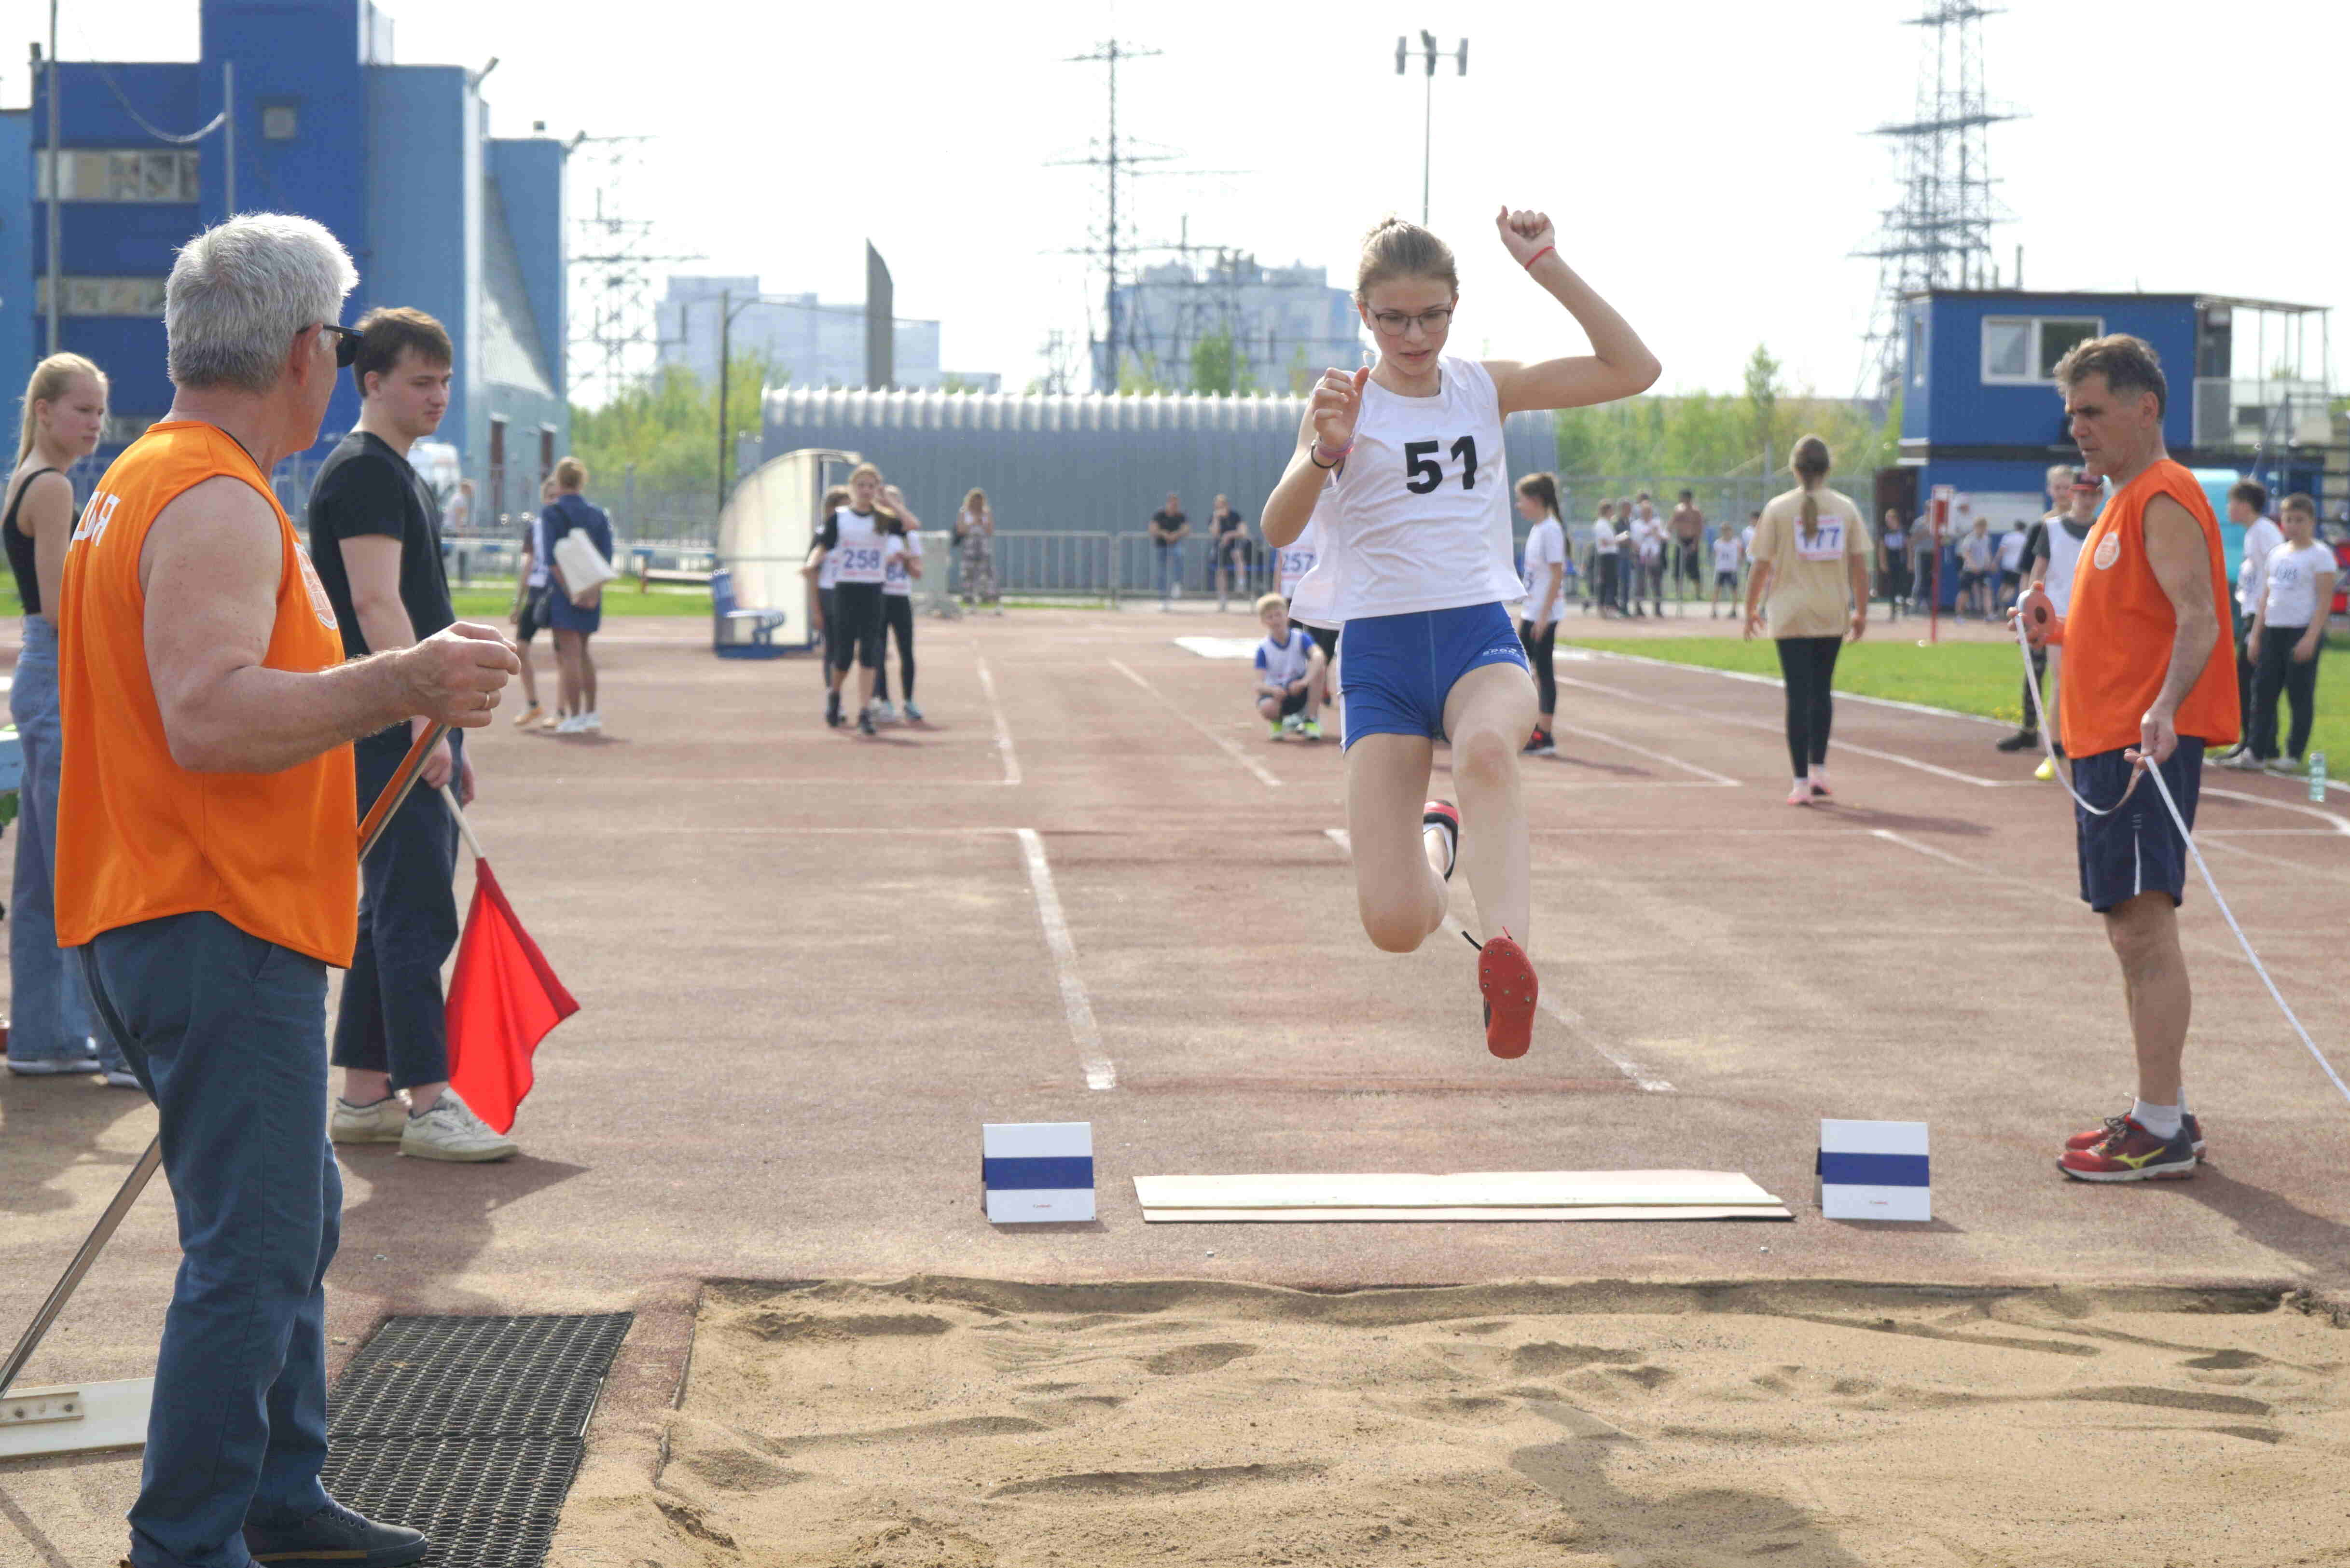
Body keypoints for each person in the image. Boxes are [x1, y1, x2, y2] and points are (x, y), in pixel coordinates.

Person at [57, 211, 518, 1568]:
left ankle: (275, 1494)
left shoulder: (156, 478)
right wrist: (406, 680)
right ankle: (190, 1543)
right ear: (310, 353)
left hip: (185, 909)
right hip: (208, 916)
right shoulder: (207, 494)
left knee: (290, 1217)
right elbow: (207, 714)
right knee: (253, 1251)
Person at [1259, 206, 1659, 1059]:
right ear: (1364, 313)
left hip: (1479, 635)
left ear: (1454, 308)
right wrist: (1323, 454)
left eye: (1432, 315)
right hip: (1379, 657)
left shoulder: (1485, 386)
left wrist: (1547, 265)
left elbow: (1635, 368)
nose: (1415, 333)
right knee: (1396, 925)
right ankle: (1440, 842)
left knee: (1487, 750)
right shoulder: (1340, 403)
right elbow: (1278, 527)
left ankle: (1508, 952)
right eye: (1395, 317)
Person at [2014, 334, 2238, 1183]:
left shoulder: (2163, 493)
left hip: (2143, 746)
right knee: (2128, 930)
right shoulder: (2119, 500)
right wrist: (2057, 628)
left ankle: (2161, 1127)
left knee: (2145, 929)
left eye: (2093, 411)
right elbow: (2132, 625)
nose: (2078, 428)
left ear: (2146, 407)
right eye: (2073, 413)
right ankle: (2163, 1111)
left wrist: (2164, 707)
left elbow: (2198, 617)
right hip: (2109, 740)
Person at [306, 305, 517, 1163]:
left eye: (444, 382)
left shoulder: (390, 471)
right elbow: (375, 603)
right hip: (392, 721)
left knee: (387, 910)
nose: (437, 397)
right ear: (373, 383)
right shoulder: (364, 473)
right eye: (420, 382)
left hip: (400, 717)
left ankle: (364, 1093)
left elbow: (409, 603)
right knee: (417, 913)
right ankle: (430, 1101)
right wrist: (426, 721)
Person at [2, 353, 134, 1086]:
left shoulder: (29, 477)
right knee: (83, 864)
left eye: (100, 411)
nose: (95, 424)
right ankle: (112, 1047)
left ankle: (47, 1035)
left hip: (42, 673)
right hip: (57, 670)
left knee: (43, 875)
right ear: (45, 409)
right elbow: (60, 605)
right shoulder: (51, 486)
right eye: (83, 410)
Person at [1743, 435, 1871, 805]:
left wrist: (1750, 608)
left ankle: (1801, 781)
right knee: (1822, 691)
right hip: (1830, 610)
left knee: (1797, 696)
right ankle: (1819, 769)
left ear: (1794, 469)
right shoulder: (1845, 508)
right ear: (1828, 468)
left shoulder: (1779, 509)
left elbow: (1760, 566)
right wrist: (1860, 610)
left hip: (1790, 612)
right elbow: (1860, 566)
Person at [2015, 473, 2101, 780]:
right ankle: (2054, 750)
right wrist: (2030, 611)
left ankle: (2089, 746)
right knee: (2062, 682)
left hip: (2096, 619)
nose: (2087, 499)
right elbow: (2037, 574)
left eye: (2093, 494)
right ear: (2073, 494)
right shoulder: (2050, 529)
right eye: (2082, 493)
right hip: (2059, 617)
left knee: (2095, 684)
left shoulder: (2105, 529)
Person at [2239, 493, 2333, 773]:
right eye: (2288, 519)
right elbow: (2265, 597)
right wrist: (2256, 635)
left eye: (2299, 520)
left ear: (2312, 522)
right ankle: (2255, 752)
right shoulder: (2277, 554)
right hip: (2272, 631)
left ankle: (2293, 754)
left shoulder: (2320, 555)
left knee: (2299, 695)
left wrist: (2310, 638)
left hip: (2301, 631)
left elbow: (2325, 601)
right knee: (2262, 692)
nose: (2292, 525)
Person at [804, 462, 899, 736]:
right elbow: (822, 547)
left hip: (873, 591)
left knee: (870, 653)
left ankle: (865, 712)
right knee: (844, 656)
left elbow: (911, 526)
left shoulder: (883, 518)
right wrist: (811, 563)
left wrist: (890, 501)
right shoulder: (840, 518)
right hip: (846, 590)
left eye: (871, 486)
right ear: (852, 488)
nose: (866, 490)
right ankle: (835, 694)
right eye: (861, 485)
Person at [541, 456, 613, 734]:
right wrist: (592, 591)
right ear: (582, 481)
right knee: (584, 653)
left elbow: (551, 559)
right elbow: (606, 558)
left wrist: (572, 592)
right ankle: (591, 713)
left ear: (559, 482)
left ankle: (573, 716)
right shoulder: (598, 515)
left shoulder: (551, 514)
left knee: (569, 655)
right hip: (593, 589)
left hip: (564, 593)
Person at [2216, 479, 2281, 762]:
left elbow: (2272, 577)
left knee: (2255, 682)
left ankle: (2259, 746)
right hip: (2251, 614)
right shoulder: (2253, 532)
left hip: (2262, 616)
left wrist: (2257, 627)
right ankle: (2252, 742)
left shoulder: (2264, 532)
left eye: (2231, 502)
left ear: (2244, 504)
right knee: (2248, 681)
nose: (2228, 509)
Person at [1515, 472, 1567, 757]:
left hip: (1543, 613)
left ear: (1535, 500)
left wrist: (1545, 615)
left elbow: (1557, 572)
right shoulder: (1538, 530)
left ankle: (1544, 733)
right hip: (1532, 610)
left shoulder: (1550, 530)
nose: (1518, 506)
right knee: (1523, 670)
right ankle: (1531, 726)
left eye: (1521, 500)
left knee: (1542, 670)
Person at [507, 474, 558, 730]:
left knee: (564, 653)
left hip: (558, 592)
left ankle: (563, 710)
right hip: (537, 592)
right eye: (550, 497)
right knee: (521, 649)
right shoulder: (536, 527)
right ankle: (532, 703)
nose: (554, 501)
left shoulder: (565, 526)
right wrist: (518, 601)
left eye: (558, 497)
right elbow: (528, 564)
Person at [875, 481, 924, 723]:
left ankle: (909, 701)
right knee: (879, 651)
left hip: (900, 597)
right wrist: (887, 561)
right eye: (885, 501)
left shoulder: (909, 537)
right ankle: (883, 701)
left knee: (906, 651)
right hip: (878, 598)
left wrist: (905, 561)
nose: (889, 506)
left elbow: (918, 572)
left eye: (894, 502)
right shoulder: (876, 532)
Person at [1252, 592, 1326, 741]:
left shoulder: (1300, 638)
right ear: (1263, 621)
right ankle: (1278, 721)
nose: (1275, 620)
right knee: (1267, 707)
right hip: (1279, 694)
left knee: (1319, 669)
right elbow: (1258, 684)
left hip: (1300, 689)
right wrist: (1273, 690)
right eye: (1270, 617)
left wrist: (1304, 681)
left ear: (1287, 615)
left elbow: (1318, 656)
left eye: (1278, 614)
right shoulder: (1263, 648)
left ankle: (1311, 720)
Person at [813, 483, 851, 705]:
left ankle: (875, 698)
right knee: (834, 648)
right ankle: (834, 696)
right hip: (830, 594)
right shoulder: (822, 536)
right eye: (839, 510)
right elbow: (812, 573)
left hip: (854, 593)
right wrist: (816, 609)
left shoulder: (859, 533)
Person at [955, 486, 999, 611]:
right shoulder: (964, 512)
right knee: (969, 573)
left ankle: (990, 599)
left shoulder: (987, 512)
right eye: (974, 500)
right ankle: (969, 600)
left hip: (983, 547)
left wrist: (983, 523)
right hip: (969, 547)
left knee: (987, 573)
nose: (977, 503)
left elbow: (990, 531)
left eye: (979, 500)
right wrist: (973, 522)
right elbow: (961, 530)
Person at [1209, 494, 1251, 610]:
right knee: (1221, 571)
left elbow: (1243, 531)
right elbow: (1215, 533)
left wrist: (1229, 535)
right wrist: (1216, 518)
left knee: (1238, 556)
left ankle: (1241, 584)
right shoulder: (1214, 518)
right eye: (1218, 506)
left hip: (1236, 546)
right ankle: (1222, 598)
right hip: (1221, 548)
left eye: (1222, 505)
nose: (1220, 508)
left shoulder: (1235, 516)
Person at [1149, 491, 1188, 608]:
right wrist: (1164, 534)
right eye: (1172, 503)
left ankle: (1177, 584)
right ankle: (1163, 598)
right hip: (1162, 546)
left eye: (1176, 504)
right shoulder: (1159, 514)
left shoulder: (1181, 516)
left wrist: (1176, 535)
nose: (1174, 505)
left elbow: (1186, 529)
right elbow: (1152, 529)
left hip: (1176, 545)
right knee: (1162, 572)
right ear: (1168, 503)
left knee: (1180, 556)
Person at [1631, 493, 1665, 616]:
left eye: (1649, 511)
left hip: (1655, 557)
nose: (1647, 513)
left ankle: (1658, 608)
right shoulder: (1635, 524)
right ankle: (1638, 607)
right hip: (1640, 556)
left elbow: (1664, 537)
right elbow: (1633, 541)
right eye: (1644, 511)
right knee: (1640, 582)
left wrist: (1656, 533)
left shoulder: (1657, 523)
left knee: (1656, 582)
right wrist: (1639, 551)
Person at [1669, 488, 1705, 603]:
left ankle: (1698, 595)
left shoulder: (1696, 511)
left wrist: (1695, 543)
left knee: (1694, 569)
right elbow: (1672, 524)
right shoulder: (1678, 510)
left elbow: (1699, 528)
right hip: (1680, 542)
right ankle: (1678, 594)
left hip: (1692, 541)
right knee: (1678, 568)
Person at [1956, 517, 1995, 619]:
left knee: (1987, 590)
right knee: (1965, 592)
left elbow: (1987, 552)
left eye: (1984, 527)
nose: (1983, 530)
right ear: (1976, 527)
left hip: (1983, 570)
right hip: (1970, 570)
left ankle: (1989, 614)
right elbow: (1965, 553)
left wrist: (1990, 563)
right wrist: (1972, 565)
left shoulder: (1987, 538)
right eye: (1981, 527)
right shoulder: (1969, 539)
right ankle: (1959, 615)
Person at [1589, 499, 1622, 616]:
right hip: (1606, 555)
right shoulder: (1601, 524)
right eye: (1611, 510)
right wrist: (1619, 539)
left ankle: (1609, 607)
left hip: (1612, 555)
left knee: (1612, 581)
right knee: (1606, 581)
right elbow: (1604, 542)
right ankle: (1603, 607)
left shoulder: (1607, 523)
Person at [1878, 507, 1908, 620]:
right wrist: (1883, 563)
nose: (1888, 521)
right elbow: (1881, 548)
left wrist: (1910, 562)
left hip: (1901, 557)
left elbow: (1908, 546)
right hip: (1890, 557)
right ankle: (1893, 610)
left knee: (1903, 583)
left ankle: (1905, 607)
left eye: (1890, 519)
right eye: (1887, 519)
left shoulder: (1903, 530)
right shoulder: (1884, 532)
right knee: (1892, 585)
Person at [1709, 521, 1743, 618]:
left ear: (1731, 531)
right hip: (1721, 569)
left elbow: (1740, 555)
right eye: (1724, 531)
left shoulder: (1736, 542)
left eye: (1728, 530)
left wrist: (1738, 562)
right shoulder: (1718, 543)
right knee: (1717, 590)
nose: (1726, 533)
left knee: (1734, 590)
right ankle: (1714, 610)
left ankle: (1734, 610)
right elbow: (1715, 554)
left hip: (1732, 570)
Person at [1996, 518, 2029, 613]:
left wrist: (1995, 562)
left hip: (2006, 565)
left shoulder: (2008, 537)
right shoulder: (2025, 538)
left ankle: (1999, 604)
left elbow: (2001, 551)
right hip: (2017, 567)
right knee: (2011, 588)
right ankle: (2003, 604)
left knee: (2004, 585)